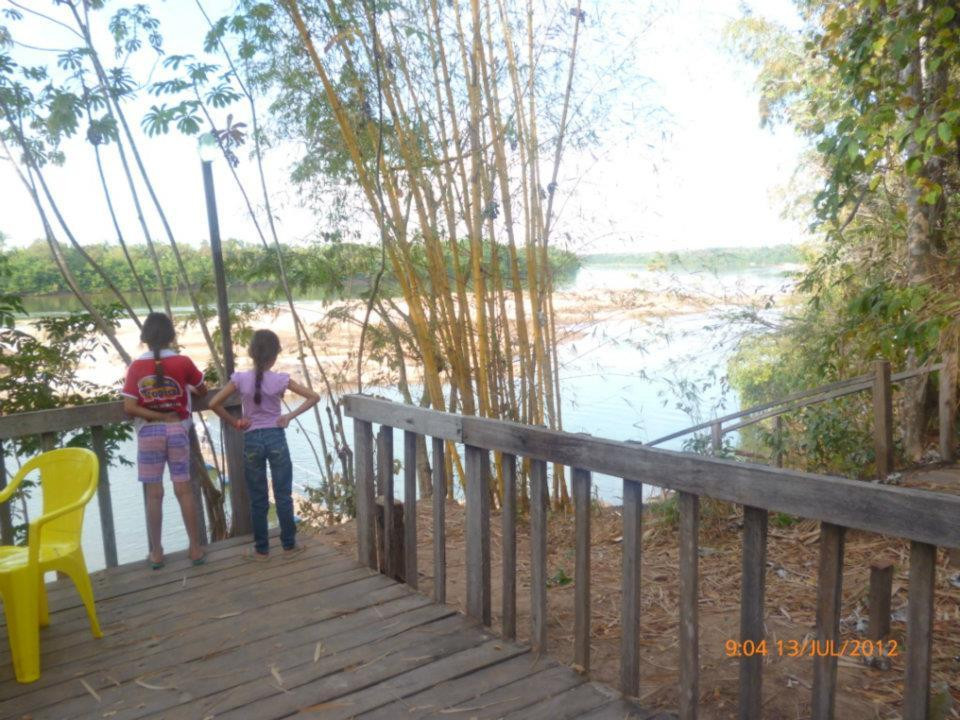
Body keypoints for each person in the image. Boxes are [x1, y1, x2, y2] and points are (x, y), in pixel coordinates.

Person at [208, 329, 319, 560]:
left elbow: (214, 403)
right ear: (275, 356)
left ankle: (261, 550)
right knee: (283, 495)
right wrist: (289, 416)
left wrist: (236, 422)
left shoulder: (239, 379)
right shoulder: (281, 379)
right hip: (275, 437)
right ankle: (289, 544)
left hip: (252, 440)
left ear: (251, 353)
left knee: (258, 498)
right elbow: (313, 396)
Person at [122, 312, 207, 569]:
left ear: (145, 338)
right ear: (172, 337)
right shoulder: (182, 362)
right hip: (178, 431)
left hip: (149, 434)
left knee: (154, 494)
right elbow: (202, 388)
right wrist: (175, 410)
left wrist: (155, 415)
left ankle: (157, 552)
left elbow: (129, 406)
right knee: (183, 489)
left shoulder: (136, 367)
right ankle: (194, 548)